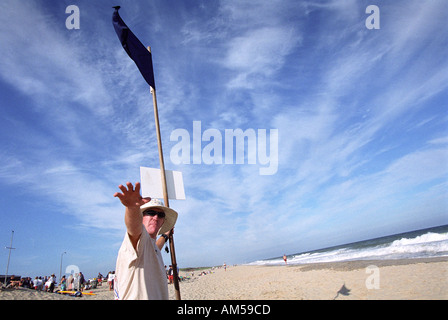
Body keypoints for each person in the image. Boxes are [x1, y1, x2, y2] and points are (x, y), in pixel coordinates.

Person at [113, 181, 178, 300]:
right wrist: (132, 208)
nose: (156, 217)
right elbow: (133, 228)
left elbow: (156, 247)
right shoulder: (136, 239)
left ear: (163, 221)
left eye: (160, 215)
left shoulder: (151, 246)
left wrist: (165, 235)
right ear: (141, 216)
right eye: (151, 213)